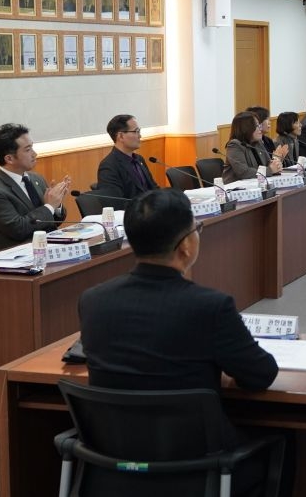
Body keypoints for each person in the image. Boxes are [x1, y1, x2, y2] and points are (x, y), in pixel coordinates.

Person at [78, 189, 280, 496]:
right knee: (283, 439)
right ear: (186, 245)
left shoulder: (93, 300)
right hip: (197, 469)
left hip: (114, 464)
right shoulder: (210, 306)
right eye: (197, 228)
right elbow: (261, 374)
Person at [0, 124, 71, 251]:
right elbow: (19, 229)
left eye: (32, 147)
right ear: (9, 158)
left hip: (51, 247)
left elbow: (53, 221)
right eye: (28, 150)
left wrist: (57, 204)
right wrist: (50, 206)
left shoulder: (36, 178)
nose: (35, 154)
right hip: (21, 253)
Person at [96, 115, 158, 209]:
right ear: (121, 136)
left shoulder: (139, 159)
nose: (140, 136)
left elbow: (154, 189)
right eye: (136, 131)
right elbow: (116, 204)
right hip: (132, 215)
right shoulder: (109, 166)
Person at [222, 112, 286, 183]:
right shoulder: (235, 145)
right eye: (256, 126)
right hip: (237, 187)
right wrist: (270, 170)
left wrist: (276, 165)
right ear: (246, 128)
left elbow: (268, 163)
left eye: (259, 125)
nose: (260, 129)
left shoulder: (258, 142)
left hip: (257, 183)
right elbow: (243, 172)